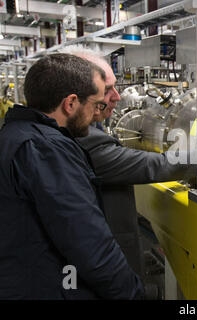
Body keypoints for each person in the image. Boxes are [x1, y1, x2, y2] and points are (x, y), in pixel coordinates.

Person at [62, 47, 197, 289]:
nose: (116, 97)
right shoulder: (82, 140)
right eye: (107, 89)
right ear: (75, 96)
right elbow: (154, 165)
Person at [0, 53, 145, 299]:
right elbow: (90, 246)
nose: (97, 113)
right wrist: (132, 293)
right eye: (97, 105)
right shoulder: (47, 151)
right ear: (71, 103)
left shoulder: (14, 133)